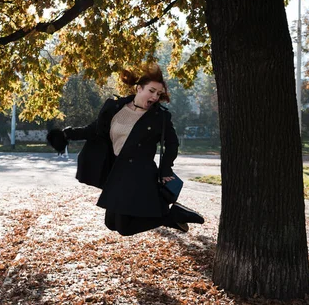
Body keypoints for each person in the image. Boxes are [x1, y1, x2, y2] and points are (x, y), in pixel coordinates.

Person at [47, 63, 204, 236]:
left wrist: (166, 168)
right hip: (117, 170)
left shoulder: (160, 117)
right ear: (139, 88)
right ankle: (172, 215)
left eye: (158, 94)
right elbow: (95, 130)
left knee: (124, 227)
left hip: (139, 173)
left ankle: (172, 215)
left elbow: (172, 143)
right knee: (111, 223)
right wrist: (66, 135)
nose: (154, 96)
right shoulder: (115, 108)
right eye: (151, 91)